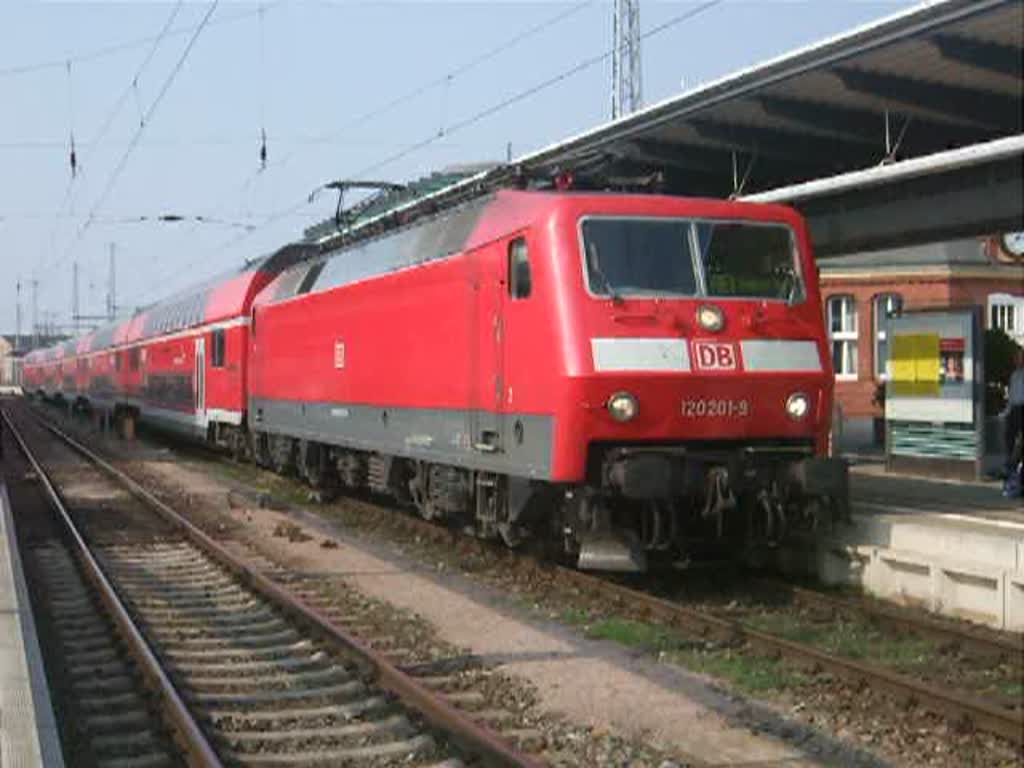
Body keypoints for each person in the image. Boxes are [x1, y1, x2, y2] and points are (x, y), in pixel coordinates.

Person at [1001, 346, 1024, 497]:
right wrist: (1006, 413)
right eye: (1015, 358)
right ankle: (1011, 471)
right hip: (1015, 411)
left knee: (1021, 443)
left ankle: (1018, 475)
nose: (1017, 360)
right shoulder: (1014, 375)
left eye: (1020, 357)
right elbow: (1011, 397)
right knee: (1009, 439)